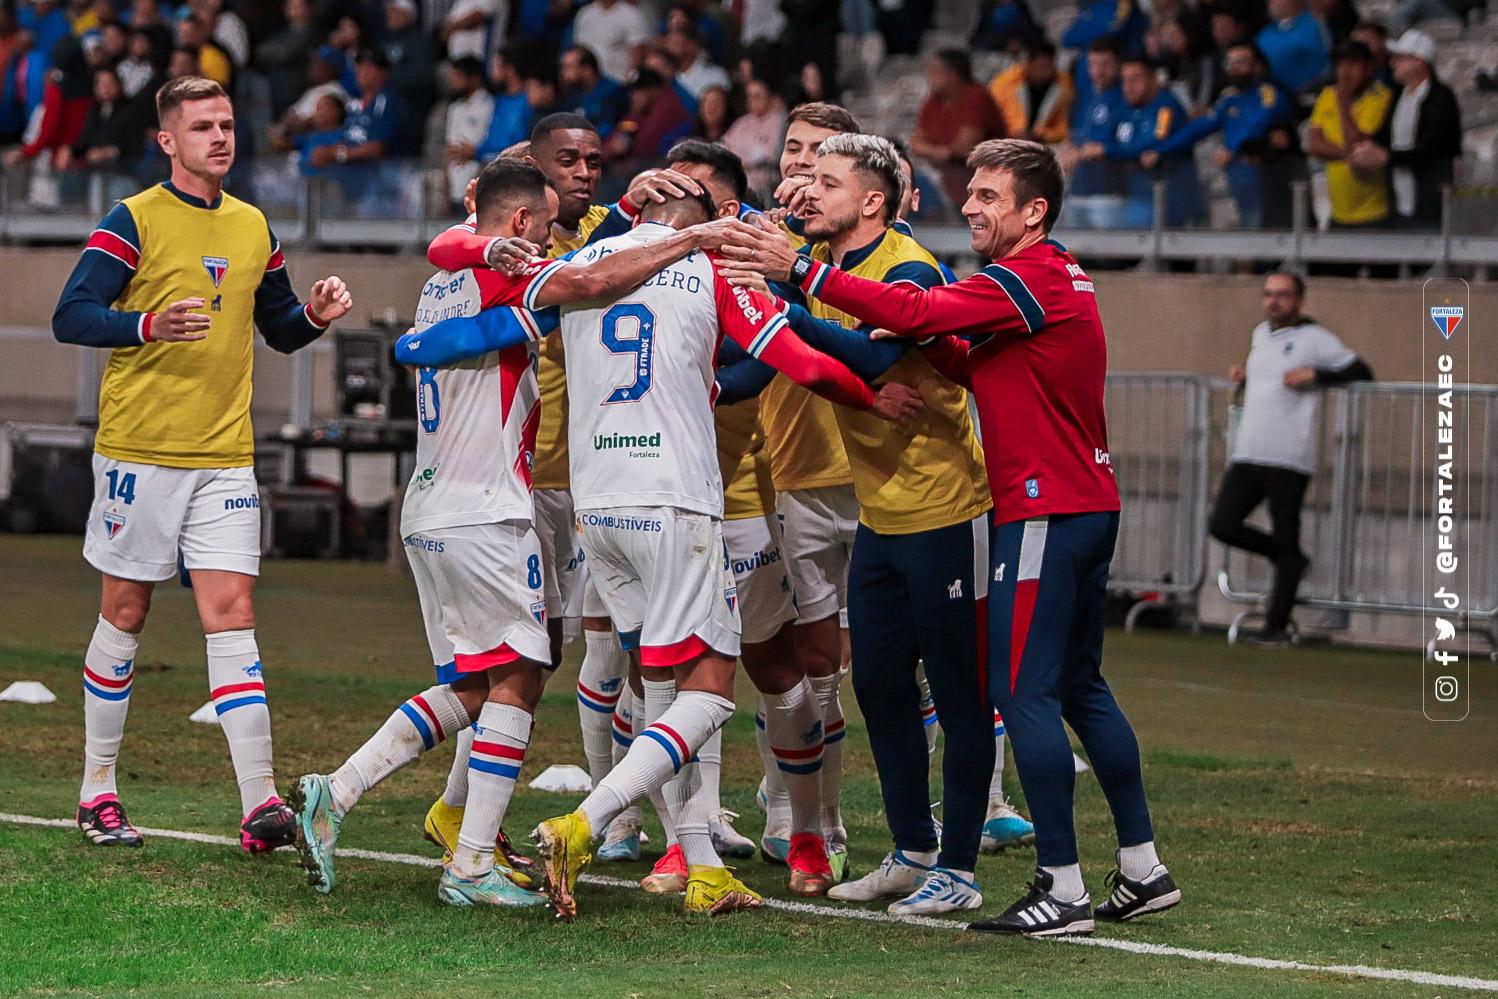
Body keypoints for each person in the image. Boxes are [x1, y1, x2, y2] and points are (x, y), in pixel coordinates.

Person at [719, 138, 1180, 937]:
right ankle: (1142, 868)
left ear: (1035, 211)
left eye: (990, 195)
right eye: (970, 191)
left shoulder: (1023, 275)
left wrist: (802, 278)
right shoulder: (1042, 280)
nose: (971, 205)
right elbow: (974, 363)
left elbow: (922, 315)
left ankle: (1059, 887)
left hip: (1039, 506)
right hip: (1068, 502)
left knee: (1017, 692)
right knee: (1075, 687)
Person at [287, 159, 760, 905]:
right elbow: (594, 283)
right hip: (488, 508)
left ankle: (339, 792)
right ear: (517, 224)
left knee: (477, 681)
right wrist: (695, 237)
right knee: (519, 675)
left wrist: (417, 342)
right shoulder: (516, 274)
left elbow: (443, 281)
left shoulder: (442, 277)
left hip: (431, 505)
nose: (547, 241)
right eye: (540, 227)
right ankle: (472, 860)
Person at [445, 188, 920, 920]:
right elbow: (796, 359)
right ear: (704, 218)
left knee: (658, 686)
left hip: (595, 504)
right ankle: (585, 821)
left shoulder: (581, 262)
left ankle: (698, 863)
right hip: (675, 502)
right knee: (710, 689)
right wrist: (871, 396)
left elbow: (461, 267)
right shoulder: (715, 271)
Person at [50, 76, 353, 852]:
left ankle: (259, 807)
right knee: (125, 614)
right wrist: (146, 322)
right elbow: (71, 314)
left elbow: (279, 327)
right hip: (139, 452)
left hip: (225, 456)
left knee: (234, 618)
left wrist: (312, 315)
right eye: (203, 127)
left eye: (226, 124)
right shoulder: (134, 220)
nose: (220, 137)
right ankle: (97, 791)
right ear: (168, 141)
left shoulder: (255, 226)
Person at [733, 132, 1001, 915]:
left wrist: (788, 290)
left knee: (956, 689)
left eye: (827, 181)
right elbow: (824, 348)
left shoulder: (908, 267)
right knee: (881, 683)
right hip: (882, 511)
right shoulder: (827, 268)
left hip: (947, 507)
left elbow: (876, 360)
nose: (806, 191)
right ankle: (912, 851)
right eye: (803, 177)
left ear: (874, 202)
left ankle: (957, 864)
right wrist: (783, 284)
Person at [1210, 273, 1372, 646]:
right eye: (1268, 294)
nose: (1274, 301)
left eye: (1282, 295)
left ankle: (1275, 627)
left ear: (1299, 300)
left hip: (1289, 455)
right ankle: (1290, 559)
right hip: (1250, 450)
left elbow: (1360, 369)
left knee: (1285, 532)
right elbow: (1268, 381)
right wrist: (1245, 378)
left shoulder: (1315, 339)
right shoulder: (1260, 335)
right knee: (1222, 523)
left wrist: (1317, 373)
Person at [1147, 41, 1299, 229]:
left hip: (1267, 184)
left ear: (1258, 66)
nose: (1234, 69)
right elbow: (1199, 127)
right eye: (1230, 63)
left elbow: (1260, 122)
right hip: (1238, 187)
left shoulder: (1269, 93)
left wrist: (1233, 150)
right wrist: (1160, 150)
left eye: (1241, 62)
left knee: (1263, 237)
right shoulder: (1229, 97)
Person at [1084, 56, 1204, 228]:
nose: (1129, 86)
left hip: (1171, 203)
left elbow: (1153, 143)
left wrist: (1108, 150)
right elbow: (1103, 138)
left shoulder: (1165, 107)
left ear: (1153, 79)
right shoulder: (1126, 108)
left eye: (1136, 79)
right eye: (1125, 80)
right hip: (1138, 197)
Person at [1381, 29, 1463, 231]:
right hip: (1400, 198)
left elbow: (1433, 148)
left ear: (1420, 61)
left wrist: (1386, 158)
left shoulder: (1440, 98)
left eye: (1401, 58)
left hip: (1429, 202)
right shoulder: (1398, 95)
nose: (1394, 63)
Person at [1307, 41, 1394, 230]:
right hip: (1338, 214)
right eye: (1340, 65)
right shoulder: (1328, 94)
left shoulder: (1381, 97)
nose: (1345, 73)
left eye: (1352, 64)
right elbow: (1314, 144)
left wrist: (1344, 103)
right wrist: (1350, 156)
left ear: (1369, 68)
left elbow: (1359, 147)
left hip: (1375, 214)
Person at [910, 48, 1005, 210]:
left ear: (952, 74)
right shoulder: (934, 100)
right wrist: (939, 152)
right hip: (946, 173)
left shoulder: (976, 97)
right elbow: (915, 143)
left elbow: (964, 148)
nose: (929, 77)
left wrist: (934, 151)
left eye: (935, 71)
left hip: (980, 175)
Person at [1059, 38, 1128, 229]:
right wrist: (1069, 148)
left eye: (1105, 64)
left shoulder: (1125, 98)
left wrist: (1086, 153)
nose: (1098, 71)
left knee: (1108, 256)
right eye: (1093, 64)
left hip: (1110, 195)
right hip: (1077, 193)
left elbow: (1124, 145)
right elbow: (1073, 136)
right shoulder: (1085, 98)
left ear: (1119, 65)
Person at [988, 40, 1073, 145]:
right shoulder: (1004, 83)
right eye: (1042, 66)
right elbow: (990, 119)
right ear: (1029, 64)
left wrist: (1042, 135)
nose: (1047, 71)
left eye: (1049, 65)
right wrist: (1012, 134)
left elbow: (1063, 126)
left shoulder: (1063, 84)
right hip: (1006, 141)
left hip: (1042, 144)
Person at [443, 56, 493, 209]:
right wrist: (446, 188)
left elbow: (487, 146)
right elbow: (449, 148)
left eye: (458, 76)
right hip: (454, 188)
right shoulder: (454, 108)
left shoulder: (487, 105)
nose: (453, 81)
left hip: (477, 187)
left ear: (474, 78)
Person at [721, 77, 784, 196]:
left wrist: (742, 153)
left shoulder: (779, 120)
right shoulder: (743, 121)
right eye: (749, 96)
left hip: (767, 184)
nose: (752, 100)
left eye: (757, 96)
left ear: (769, 97)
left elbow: (768, 155)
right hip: (738, 178)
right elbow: (724, 148)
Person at [1256, 0, 1331, 99]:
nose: (1271, 2)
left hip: (1312, 94)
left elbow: (1328, 58)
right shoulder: (1263, 34)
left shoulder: (1315, 24)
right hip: (1273, 99)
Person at [571, 0, 651, 86]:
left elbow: (638, 52)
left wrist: (629, 79)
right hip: (589, 84)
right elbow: (579, 49)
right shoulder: (585, 13)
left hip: (618, 80)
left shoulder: (631, 14)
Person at [558, 45, 626, 137]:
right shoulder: (573, 92)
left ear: (587, 70)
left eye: (569, 67)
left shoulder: (612, 92)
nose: (564, 72)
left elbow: (608, 129)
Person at [665, 25, 729, 101]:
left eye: (675, 43)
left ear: (692, 46)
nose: (669, 49)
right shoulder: (664, 77)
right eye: (668, 43)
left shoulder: (716, 75)